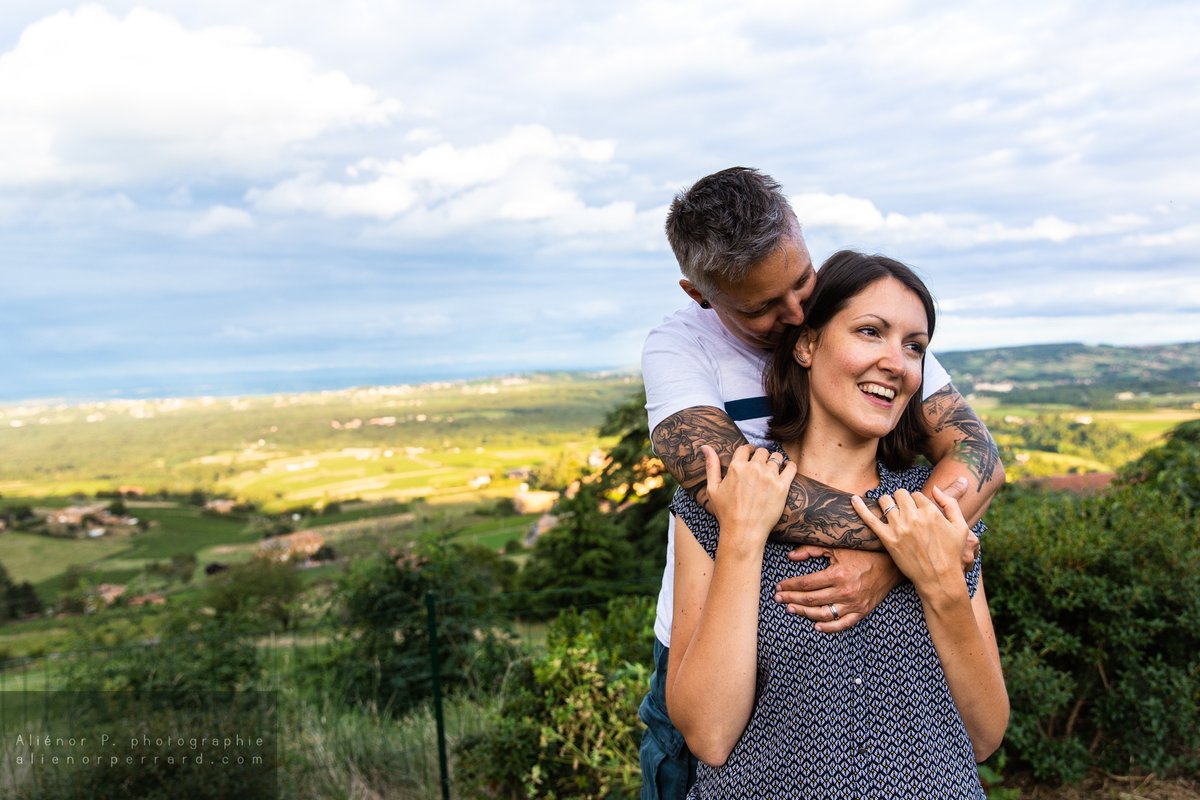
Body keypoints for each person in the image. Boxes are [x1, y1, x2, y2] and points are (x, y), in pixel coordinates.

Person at [638, 168, 1005, 799]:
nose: (794, 312)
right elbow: (728, 490)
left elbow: (979, 456)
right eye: (761, 306)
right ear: (702, 294)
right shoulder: (680, 350)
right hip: (703, 645)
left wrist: (915, 557)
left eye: (803, 282)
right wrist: (904, 538)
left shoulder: (879, 338)